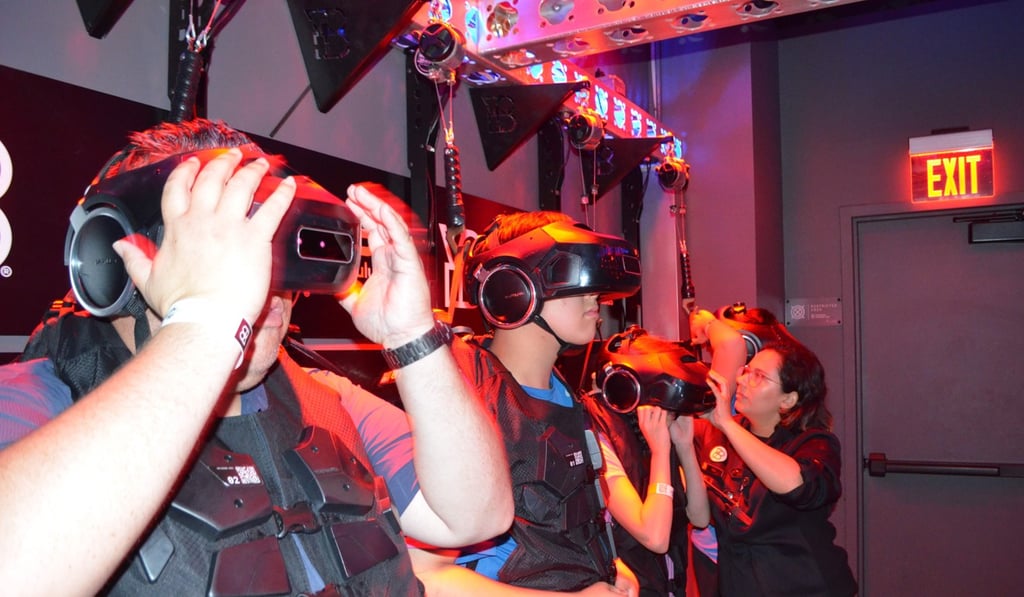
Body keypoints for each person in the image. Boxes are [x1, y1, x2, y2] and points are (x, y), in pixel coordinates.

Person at [0, 119, 513, 596]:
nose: (263, 278)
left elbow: (476, 516)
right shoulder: (36, 401)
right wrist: (207, 317)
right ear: (116, 256)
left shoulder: (327, 402)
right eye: (232, 244)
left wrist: (413, 337)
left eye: (273, 242)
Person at [411, 211, 706, 596]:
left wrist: (610, 567)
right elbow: (428, 576)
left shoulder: (564, 395)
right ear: (512, 288)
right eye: (572, 278)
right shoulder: (467, 396)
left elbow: (559, 521)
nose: (595, 299)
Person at [694, 339, 858, 596]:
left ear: (788, 399)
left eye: (759, 376)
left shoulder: (814, 443)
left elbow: (795, 484)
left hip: (804, 586)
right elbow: (699, 515)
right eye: (747, 371)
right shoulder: (723, 437)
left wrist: (726, 423)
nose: (743, 381)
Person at [584, 327, 713, 596]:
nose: (671, 411)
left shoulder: (655, 436)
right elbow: (654, 536)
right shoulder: (599, 435)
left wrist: (685, 447)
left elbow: (699, 517)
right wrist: (660, 451)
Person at [685, 304, 789, 595]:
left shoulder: (735, 399)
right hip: (722, 545)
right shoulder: (759, 401)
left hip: (725, 551)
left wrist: (705, 323)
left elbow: (730, 345)